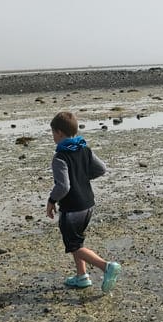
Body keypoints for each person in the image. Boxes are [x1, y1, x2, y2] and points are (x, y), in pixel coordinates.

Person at [46, 111, 121, 293]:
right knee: (77, 242)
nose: (53, 137)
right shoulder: (84, 148)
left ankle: (106, 266)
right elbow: (101, 169)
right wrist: (82, 177)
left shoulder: (60, 157)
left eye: (53, 133)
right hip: (88, 204)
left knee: (73, 245)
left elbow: (63, 186)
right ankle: (82, 276)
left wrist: (51, 200)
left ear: (60, 133)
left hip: (72, 208)